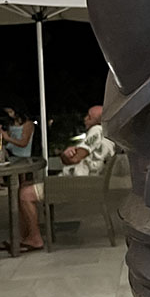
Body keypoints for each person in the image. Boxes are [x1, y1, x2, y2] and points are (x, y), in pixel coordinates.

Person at [13, 106, 115, 252]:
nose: (85, 119)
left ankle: (34, 238)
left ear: (99, 121)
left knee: (25, 193)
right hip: (89, 181)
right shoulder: (109, 134)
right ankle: (25, 236)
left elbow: (74, 159)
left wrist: (64, 154)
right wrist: (68, 155)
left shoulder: (97, 131)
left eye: (89, 117)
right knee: (25, 185)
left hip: (77, 183)